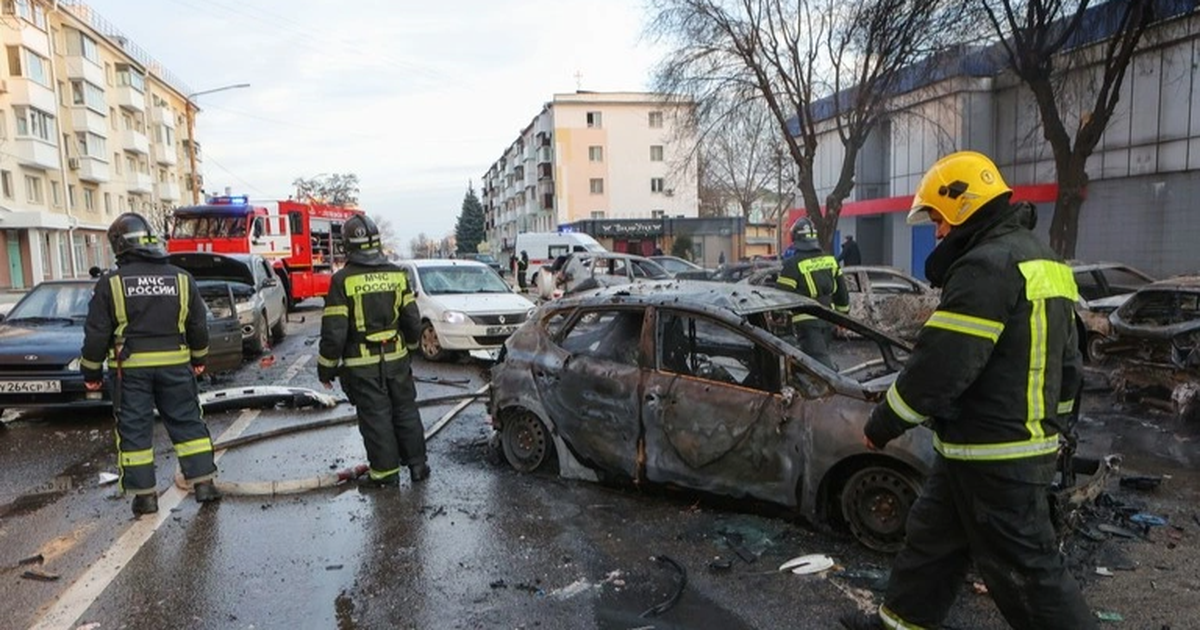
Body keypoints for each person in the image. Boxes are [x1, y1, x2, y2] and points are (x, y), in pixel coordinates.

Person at [842, 151, 1092, 630]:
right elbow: (1069, 365)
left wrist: (882, 425)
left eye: (938, 218)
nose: (937, 231)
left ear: (962, 206)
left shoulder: (986, 267)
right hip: (977, 450)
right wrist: (1054, 426)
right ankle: (898, 625)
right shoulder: (1043, 260)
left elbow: (941, 365)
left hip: (997, 456)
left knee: (1029, 574)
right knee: (930, 545)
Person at [80, 212, 219, 515]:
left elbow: (96, 334)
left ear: (119, 245)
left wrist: (90, 372)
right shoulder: (182, 279)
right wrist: (199, 360)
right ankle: (204, 483)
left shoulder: (111, 283)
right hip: (177, 365)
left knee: (135, 430)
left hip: (131, 371)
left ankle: (145, 496)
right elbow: (198, 326)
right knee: (187, 422)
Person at [319, 215, 428, 488]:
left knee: (376, 417)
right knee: (405, 411)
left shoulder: (342, 280)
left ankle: (385, 474)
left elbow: (335, 330)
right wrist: (409, 350)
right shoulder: (397, 275)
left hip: (362, 365)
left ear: (347, 246)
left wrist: (326, 368)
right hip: (397, 360)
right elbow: (412, 320)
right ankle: (418, 466)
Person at [775, 217, 850, 369]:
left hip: (806, 323)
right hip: (828, 318)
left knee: (820, 365)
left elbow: (781, 298)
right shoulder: (830, 260)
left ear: (795, 238)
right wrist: (843, 319)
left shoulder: (792, 265)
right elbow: (842, 294)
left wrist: (777, 317)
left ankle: (838, 389)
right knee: (818, 360)